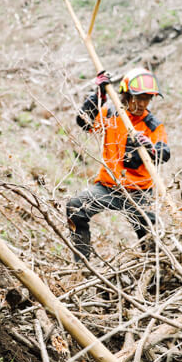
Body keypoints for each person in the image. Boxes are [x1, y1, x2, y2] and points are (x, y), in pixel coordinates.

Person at [66, 67, 170, 261]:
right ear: (125, 95)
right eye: (138, 97)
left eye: (147, 98)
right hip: (108, 187)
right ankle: (82, 266)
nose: (142, 103)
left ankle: (157, 276)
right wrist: (97, 95)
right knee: (76, 208)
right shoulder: (110, 113)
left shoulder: (152, 125)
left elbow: (164, 153)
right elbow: (85, 123)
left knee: (151, 239)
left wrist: (151, 148)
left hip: (139, 193)